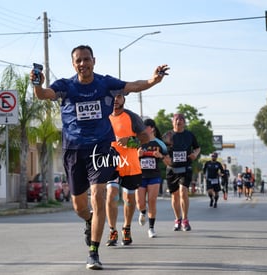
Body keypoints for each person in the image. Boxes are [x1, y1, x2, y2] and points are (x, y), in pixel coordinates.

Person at [31, 45, 168, 270]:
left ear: (94, 61)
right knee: (79, 205)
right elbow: (43, 95)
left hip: (101, 149)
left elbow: (133, 86)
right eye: (79, 61)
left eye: (87, 59)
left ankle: (93, 252)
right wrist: (37, 83)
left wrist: (153, 81)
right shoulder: (65, 86)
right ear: (73, 64)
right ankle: (89, 220)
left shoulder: (105, 84)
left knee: (99, 194)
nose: (83, 64)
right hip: (74, 151)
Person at [105, 94, 150, 246]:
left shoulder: (132, 117)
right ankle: (112, 230)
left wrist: (130, 141)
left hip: (130, 164)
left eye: (119, 96)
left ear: (123, 99)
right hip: (111, 162)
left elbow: (145, 138)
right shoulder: (103, 117)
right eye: (113, 97)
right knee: (111, 194)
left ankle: (127, 228)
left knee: (129, 199)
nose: (115, 99)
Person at [163, 113, 200, 231]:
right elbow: (161, 150)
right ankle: (177, 219)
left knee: (183, 191)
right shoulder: (167, 135)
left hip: (185, 167)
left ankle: (185, 220)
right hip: (172, 169)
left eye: (181, 119)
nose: (178, 121)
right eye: (176, 119)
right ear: (172, 122)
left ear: (184, 122)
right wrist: (165, 158)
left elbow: (197, 148)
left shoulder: (189, 135)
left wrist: (195, 154)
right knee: (174, 196)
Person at [136, 118, 167, 238]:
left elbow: (167, 160)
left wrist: (160, 156)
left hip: (154, 175)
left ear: (152, 128)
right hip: (140, 175)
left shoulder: (160, 143)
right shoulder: (138, 142)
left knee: (152, 201)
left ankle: (151, 228)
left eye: (145, 127)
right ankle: (142, 212)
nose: (143, 129)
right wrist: (137, 155)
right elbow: (131, 157)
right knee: (140, 203)